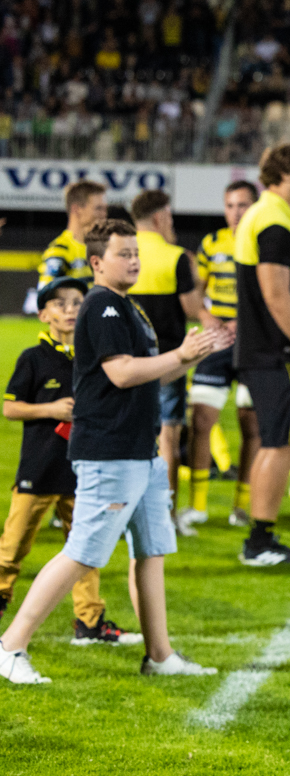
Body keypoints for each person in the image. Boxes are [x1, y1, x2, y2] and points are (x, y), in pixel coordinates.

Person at [0, 219, 229, 685]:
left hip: (140, 452)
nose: (134, 261)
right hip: (110, 451)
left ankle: (159, 656)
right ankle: (10, 646)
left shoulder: (129, 307)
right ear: (97, 262)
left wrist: (192, 354)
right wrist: (182, 356)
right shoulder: (102, 303)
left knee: (153, 550)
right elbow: (121, 373)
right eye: (124, 254)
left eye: (136, 253)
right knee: (83, 551)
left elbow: (148, 375)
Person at [0, 276, 140, 645]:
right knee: (11, 549)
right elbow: (9, 408)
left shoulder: (94, 357)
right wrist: (51, 409)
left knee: (86, 550)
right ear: (43, 313)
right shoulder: (33, 358)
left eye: (78, 303)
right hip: (39, 469)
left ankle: (89, 624)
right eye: (60, 304)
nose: (70, 310)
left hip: (83, 470)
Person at [234, 144, 290, 566]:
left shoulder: (269, 214)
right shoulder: (273, 219)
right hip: (274, 350)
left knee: (277, 442)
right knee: (280, 443)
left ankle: (259, 536)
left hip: (262, 350)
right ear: (286, 172)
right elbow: (275, 292)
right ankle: (259, 542)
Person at [129, 189, 222, 536]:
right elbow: (192, 309)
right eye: (169, 217)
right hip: (168, 361)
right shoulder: (176, 258)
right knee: (168, 436)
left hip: (124, 360)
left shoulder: (119, 253)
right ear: (158, 218)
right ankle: (164, 517)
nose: (172, 223)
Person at [189, 181, 260, 528]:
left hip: (251, 344)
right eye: (231, 205)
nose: (236, 212)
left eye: (243, 205)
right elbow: (194, 296)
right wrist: (207, 319)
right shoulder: (211, 243)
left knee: (252, 427)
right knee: (200, 421)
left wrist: (241, 321)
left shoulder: (263, 242)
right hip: (216, 342)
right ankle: (197, 506)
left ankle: (242, 506)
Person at [39, 180, 107, 286]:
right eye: (98, 208)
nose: (104, 214)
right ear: (77, 209)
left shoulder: (105, 248)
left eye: (105, 209)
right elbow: (45, 295)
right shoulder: (60, 250)